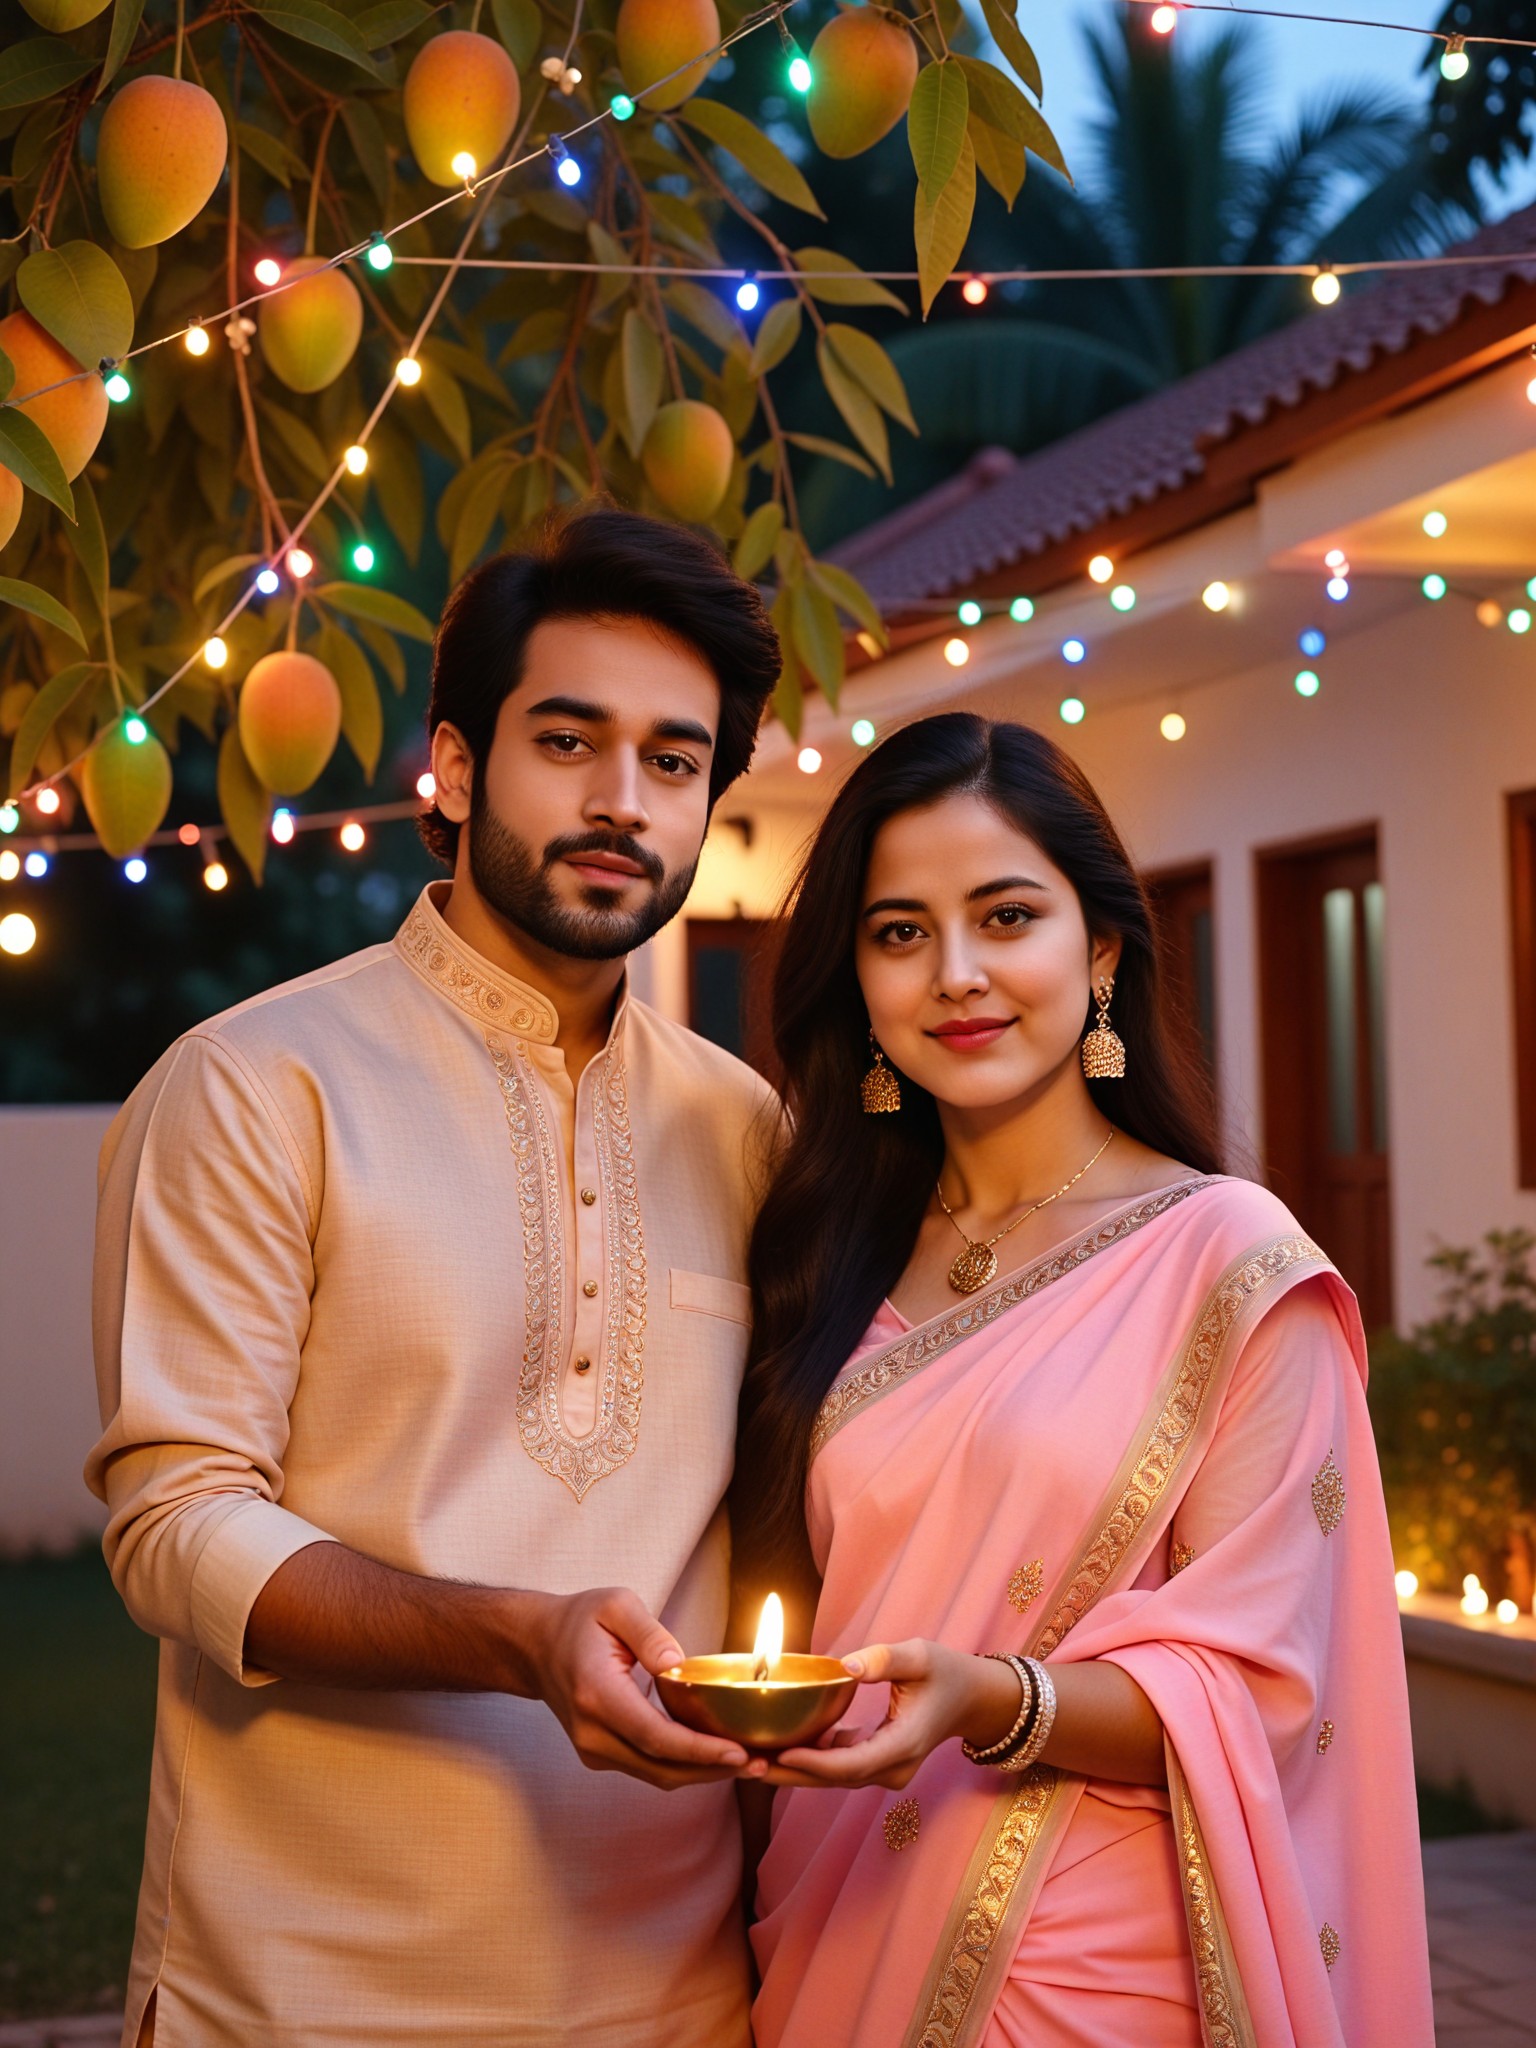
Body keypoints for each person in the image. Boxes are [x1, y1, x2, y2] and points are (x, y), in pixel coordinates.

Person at [86, 507, 783, 2048]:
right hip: (300, 1989)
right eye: (569, 740)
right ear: (457, 768)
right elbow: (176, 1523)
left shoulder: (746, 1131)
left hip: (674, 1996)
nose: (621, 801)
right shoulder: (259, 1087)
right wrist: (518, 1639)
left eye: (675, 761)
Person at [733, 714, 1433, 2048]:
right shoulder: (818, 1249)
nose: (956, 975)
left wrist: (1000, 1698)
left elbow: (1271, 1686)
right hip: (833, 1912)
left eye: (1006, 917)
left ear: (1099, 949)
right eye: (899, 933)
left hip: (1082, 1957)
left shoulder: (1227, 1262)